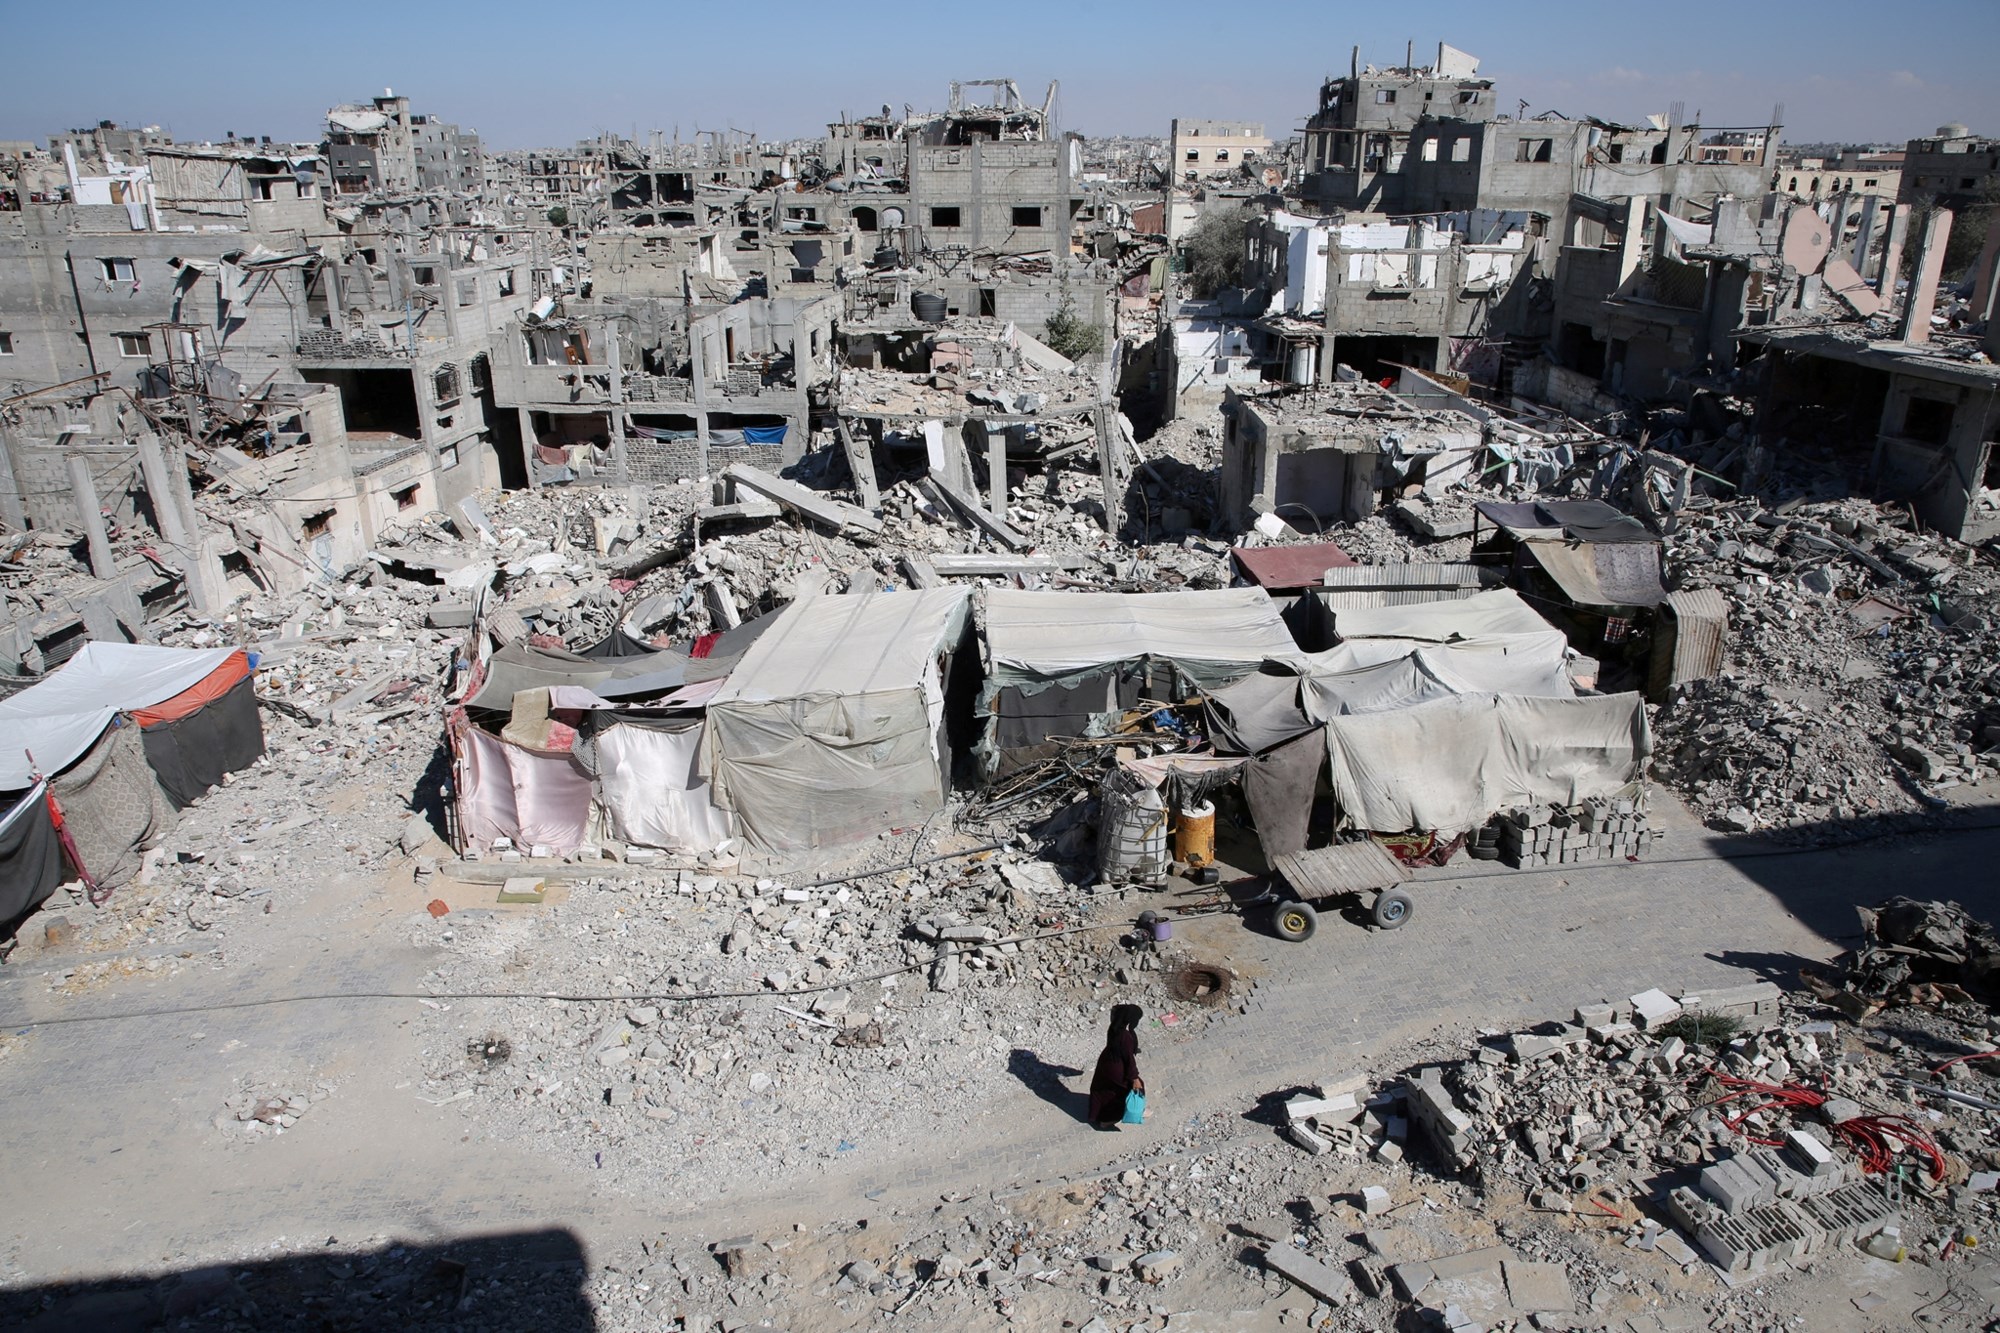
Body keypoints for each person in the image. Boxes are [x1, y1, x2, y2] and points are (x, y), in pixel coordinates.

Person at [1087, 1004, 1144, 1130]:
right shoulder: (1126, 1036)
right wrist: (1134, 1078)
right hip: (1117, 1068)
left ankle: (1097, 1115)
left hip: (1106, 1063)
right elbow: (1129, 1059)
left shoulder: (1115, 1027)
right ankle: (1108, 1120)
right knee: (1127, 1091)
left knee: (1104, 1089)